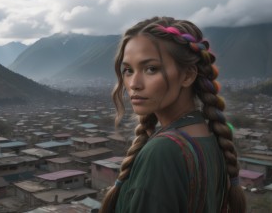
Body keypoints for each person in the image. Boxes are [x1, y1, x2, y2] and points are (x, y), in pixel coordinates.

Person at [100, 16, 246, 213]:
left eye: (151, 69)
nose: (134, 84)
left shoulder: (163, 151)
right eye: (128, 70)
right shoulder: (210, 137)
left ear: (187, 75)